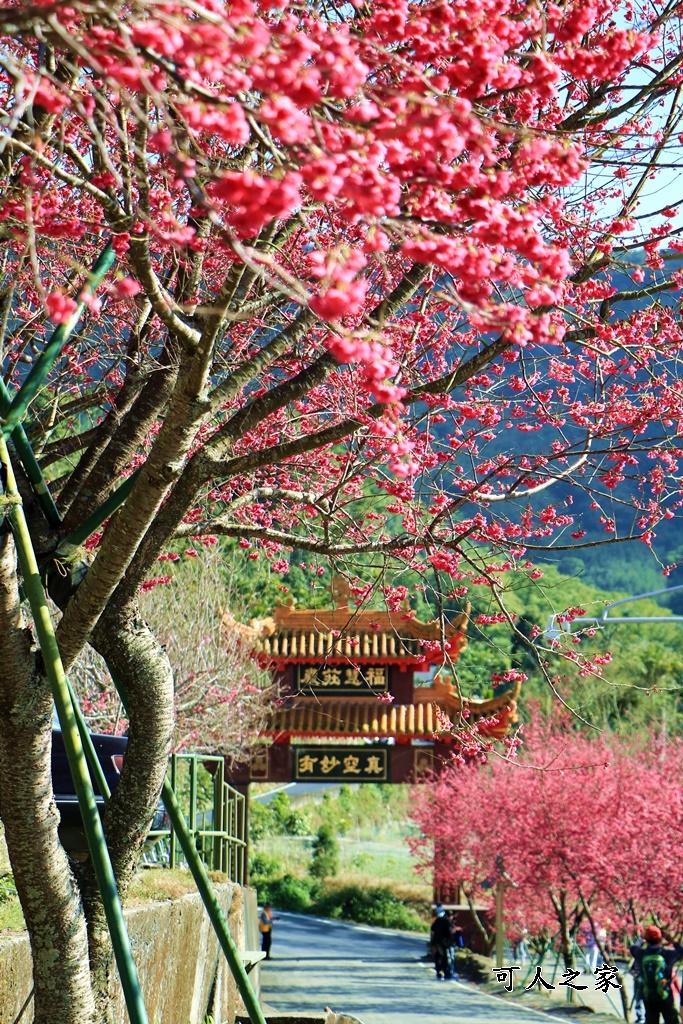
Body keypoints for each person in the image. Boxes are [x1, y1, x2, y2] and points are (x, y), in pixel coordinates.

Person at [630, 925, 683, 1024]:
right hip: (665, 995)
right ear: (660, 938)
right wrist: (672, 940)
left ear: (647, 939)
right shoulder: (667, 954)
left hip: (649, 996)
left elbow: (633, 948)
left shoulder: (641, 953)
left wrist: (641, 939)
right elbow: (681, 952)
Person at [431, 907, 453, 980]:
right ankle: (446, 972)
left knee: (438, 956)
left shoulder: (437, 920)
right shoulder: (447, 921)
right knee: (445, 957)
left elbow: (433, 930)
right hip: (444, 942)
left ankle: (439, 971)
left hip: (436, 941)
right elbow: (449, 932)